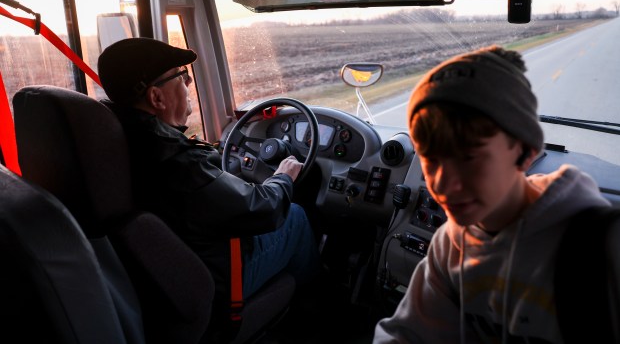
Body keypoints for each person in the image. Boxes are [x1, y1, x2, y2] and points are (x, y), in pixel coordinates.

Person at [373, 45, 613, 343]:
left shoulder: (601, 243)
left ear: (524, 150)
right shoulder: (451, 243)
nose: (444, 184)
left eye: (469, 158)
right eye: (431, 159)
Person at [97, 37, 320, 321]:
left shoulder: (122, 140)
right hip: (218, 278)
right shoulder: (177, 163)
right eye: (181, 76)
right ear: (156, 97)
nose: (189, 84)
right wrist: (283, 177)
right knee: (296, 217)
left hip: (166, 276)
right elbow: (263, 209)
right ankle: (314, 310)